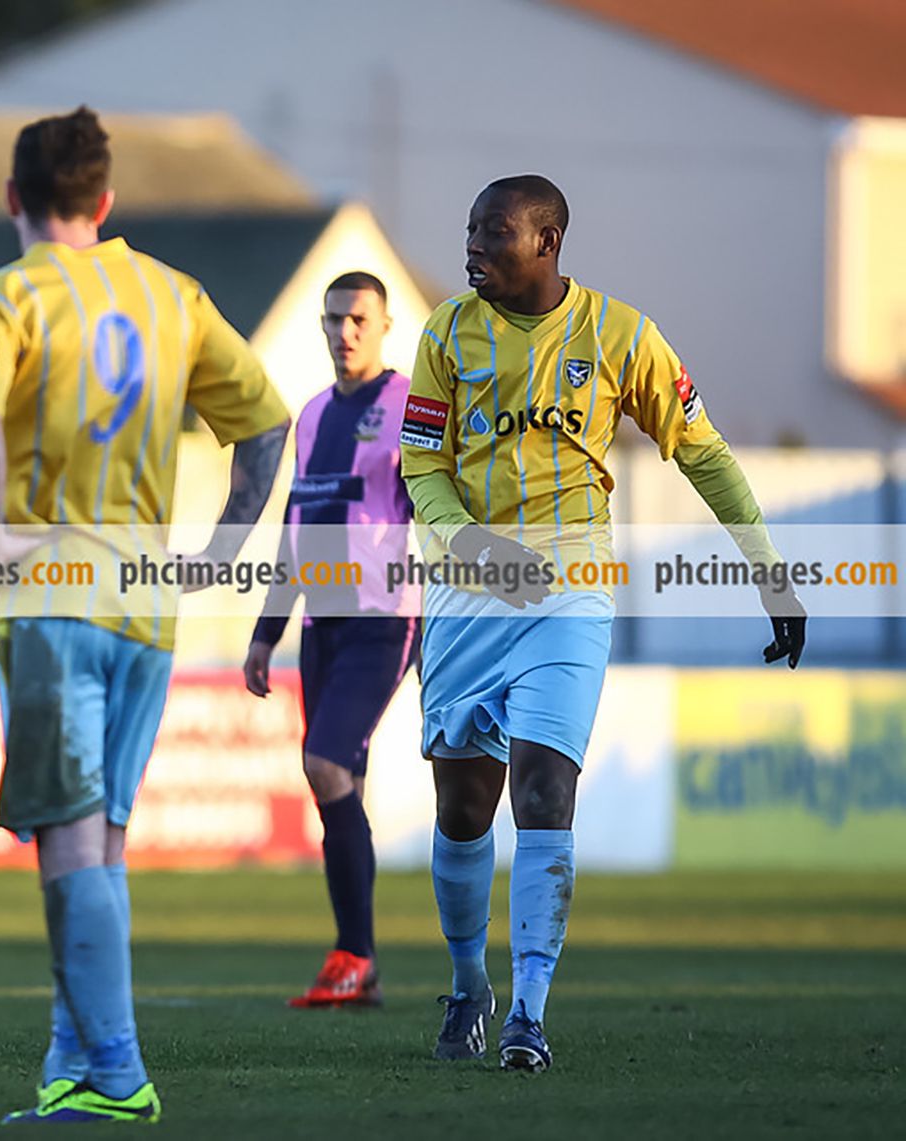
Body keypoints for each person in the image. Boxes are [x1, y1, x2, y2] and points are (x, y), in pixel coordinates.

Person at [399, 175, 805, 1072]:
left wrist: (770, 574)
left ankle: (529, 1017)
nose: (471, 246)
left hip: (570, 588)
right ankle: (470, 988)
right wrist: (471, 545)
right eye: (469, 229)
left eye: (492, 232)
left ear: (546, 242)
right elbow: (419, 467)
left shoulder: (622, 335)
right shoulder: (444, 332)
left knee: (544, 789)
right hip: (470, 592)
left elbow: (703, 453)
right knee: (464, 809)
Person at [0, 106, 289, 1124]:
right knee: (103, 840)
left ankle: (120, 1077)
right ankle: (70, 1061)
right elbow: (264, 428)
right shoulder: (171, 294)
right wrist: (220, 552)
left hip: (53, 603)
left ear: (13, 197)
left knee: (67, 843)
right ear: (105, 202)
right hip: (148, 606)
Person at [243, 271, 420, 1009]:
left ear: (382, 326)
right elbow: (299, 526)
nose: (344, 331)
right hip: (322, 622)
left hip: (384, 618)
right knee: (334, 783)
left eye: (357, 319)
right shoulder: (312, 415)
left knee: (324, 763)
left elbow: (442, 503)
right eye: (333, 319)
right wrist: (266, 631)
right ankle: (359, 964)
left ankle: (356, 953)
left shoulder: (412, 404)